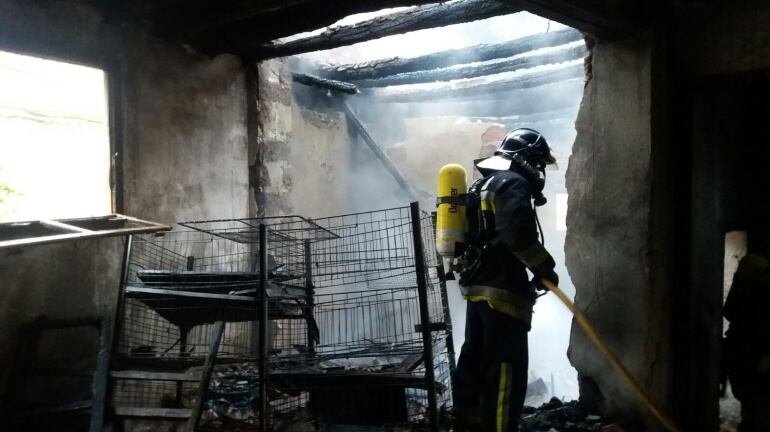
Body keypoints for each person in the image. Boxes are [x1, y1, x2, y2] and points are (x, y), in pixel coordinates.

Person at [452, 128, 559, 432]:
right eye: (538, 163)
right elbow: (516, 235)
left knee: (473, 361)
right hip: (502, 294)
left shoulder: (482, 183)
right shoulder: (513, 182)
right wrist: (545, 268)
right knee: (504, 373)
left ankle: (466, 426)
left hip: (477, 288)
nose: (538, 171)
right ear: (526, 160)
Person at [724, 253, 770, 431]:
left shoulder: (765, 290)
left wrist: (768, 354)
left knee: (759, 407)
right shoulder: (745, 289)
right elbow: (728, 312)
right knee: (751, 403)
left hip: (758, 357)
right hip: (744, 353)